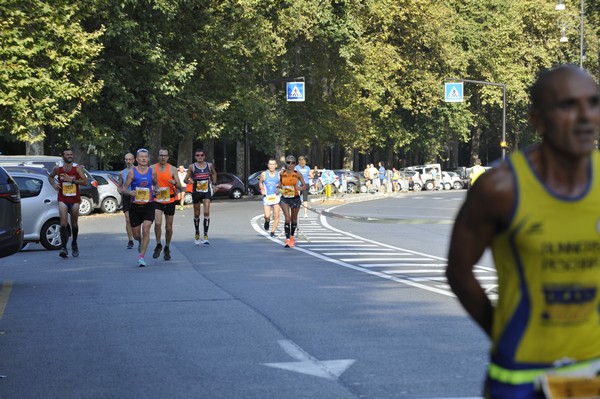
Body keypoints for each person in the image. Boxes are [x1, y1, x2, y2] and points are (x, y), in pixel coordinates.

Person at [446, 65, 600, 399]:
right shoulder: (501, 188)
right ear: (537, 120)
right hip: (520, 377)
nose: (586, 116)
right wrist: (500, 331)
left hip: (593, 367)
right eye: (569, 105)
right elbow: (458, 271)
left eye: (593, 103)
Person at [48, 148, 88, 258]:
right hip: (63, 198)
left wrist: (72, 180)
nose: (70, 156)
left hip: (74, 199)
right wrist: (54, 185)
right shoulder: (58, 168)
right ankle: (64, 247)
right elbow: (50, 177)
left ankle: (74, 243)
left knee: (74, 224)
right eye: (67, 154)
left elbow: (85, 182)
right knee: (63, 223)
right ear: (63, 156)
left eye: (71, 154)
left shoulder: (77, 168)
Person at [123, 148, 157, 267]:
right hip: (135, 207)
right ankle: (139, 241)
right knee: (136, 234)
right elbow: (124, 188)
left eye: (145, 157)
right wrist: (129, 193)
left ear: (148, 159)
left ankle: (141, 257)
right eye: (141, 157)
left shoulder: (152, 172)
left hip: (149, 205)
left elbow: (156, 184)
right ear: (137, 159)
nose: (143, 159)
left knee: (146, 228)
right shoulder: (132, 172)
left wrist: (156, 190)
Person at [151, 148, 183, 261]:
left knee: (168, 228)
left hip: (169, 200)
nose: (163, 157)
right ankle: (158, 244)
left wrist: (175, 183)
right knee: (158, 223)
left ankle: (167, 247)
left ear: (168, 157)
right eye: (161, 155)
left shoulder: (173, 169)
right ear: (158, 156)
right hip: (157, 199)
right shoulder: (152, 168)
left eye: (165, 155)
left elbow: (180, 186)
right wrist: (153, 188)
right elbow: (146, 181)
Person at [184, 149, 217, 245]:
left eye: (201, 155)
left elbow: (214, 173)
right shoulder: (192, 167)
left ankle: (206, 235)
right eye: (197, 155)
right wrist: (189, 181)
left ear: (204, 156)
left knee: (206, 212)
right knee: (197, 214)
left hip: (206, 191)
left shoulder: (209, 165)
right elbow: (186, 179)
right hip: (196, 192)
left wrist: (214, 184)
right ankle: (197, 232)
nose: (200, 156)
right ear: (195, 157)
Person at [277, 155, 307, 248]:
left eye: (292, 163)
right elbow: (279, 185)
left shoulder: (297, 174)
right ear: (285, 163)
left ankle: (292, 237)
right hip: (285, 198)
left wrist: (300, 188)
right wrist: (279, 189)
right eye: (288, 162)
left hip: (295, 197)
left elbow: (304, 185)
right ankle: (287, 240)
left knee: (294, 220)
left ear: (295, 164)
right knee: (287, 219)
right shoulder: (282, 173)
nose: (290, 165)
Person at [259, 159, 281, 237]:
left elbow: (280, 184)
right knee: (267, 215)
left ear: (276, 165)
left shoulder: (279, 175)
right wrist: (262, 190)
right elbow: (260, 182)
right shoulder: (264, 174)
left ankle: (272, 232)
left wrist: (278, 189)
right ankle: (267, 221)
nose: (271, 166)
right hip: (267, 197)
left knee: (276, 215)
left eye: (273, 164)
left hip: (276, 197)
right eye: (270, 164)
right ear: (268, 165)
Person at [117, 152, 135, 249]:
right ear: (125, 160)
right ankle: (130, 240)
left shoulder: (138, 171)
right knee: (128, 219)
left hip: (137, 196)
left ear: (134, 160)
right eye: (126, 159)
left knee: (136, 220)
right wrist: (121, 192)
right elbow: (119, 186)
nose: (128, 161)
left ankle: (139, 238)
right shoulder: (122, 173)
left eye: (130, 159)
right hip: (127, 197)